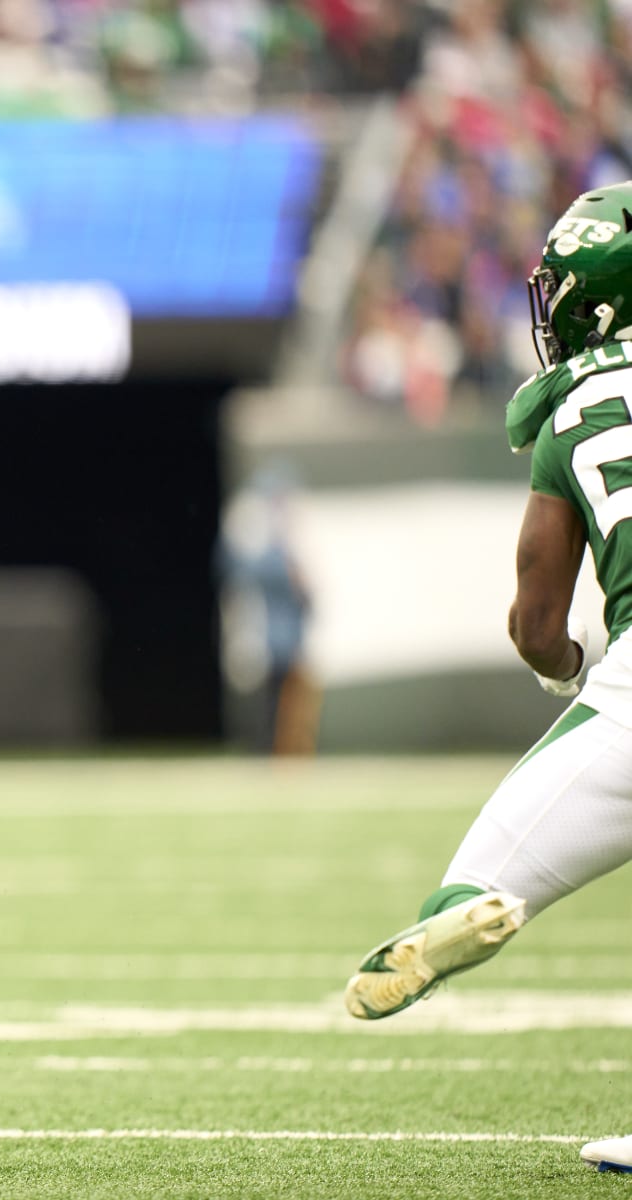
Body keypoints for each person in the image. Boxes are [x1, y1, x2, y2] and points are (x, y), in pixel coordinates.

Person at [340, 181, 632, 1174]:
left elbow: (535, 620)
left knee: (493, 873)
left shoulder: (577, 407)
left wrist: (570, 671)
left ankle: (465, 906)